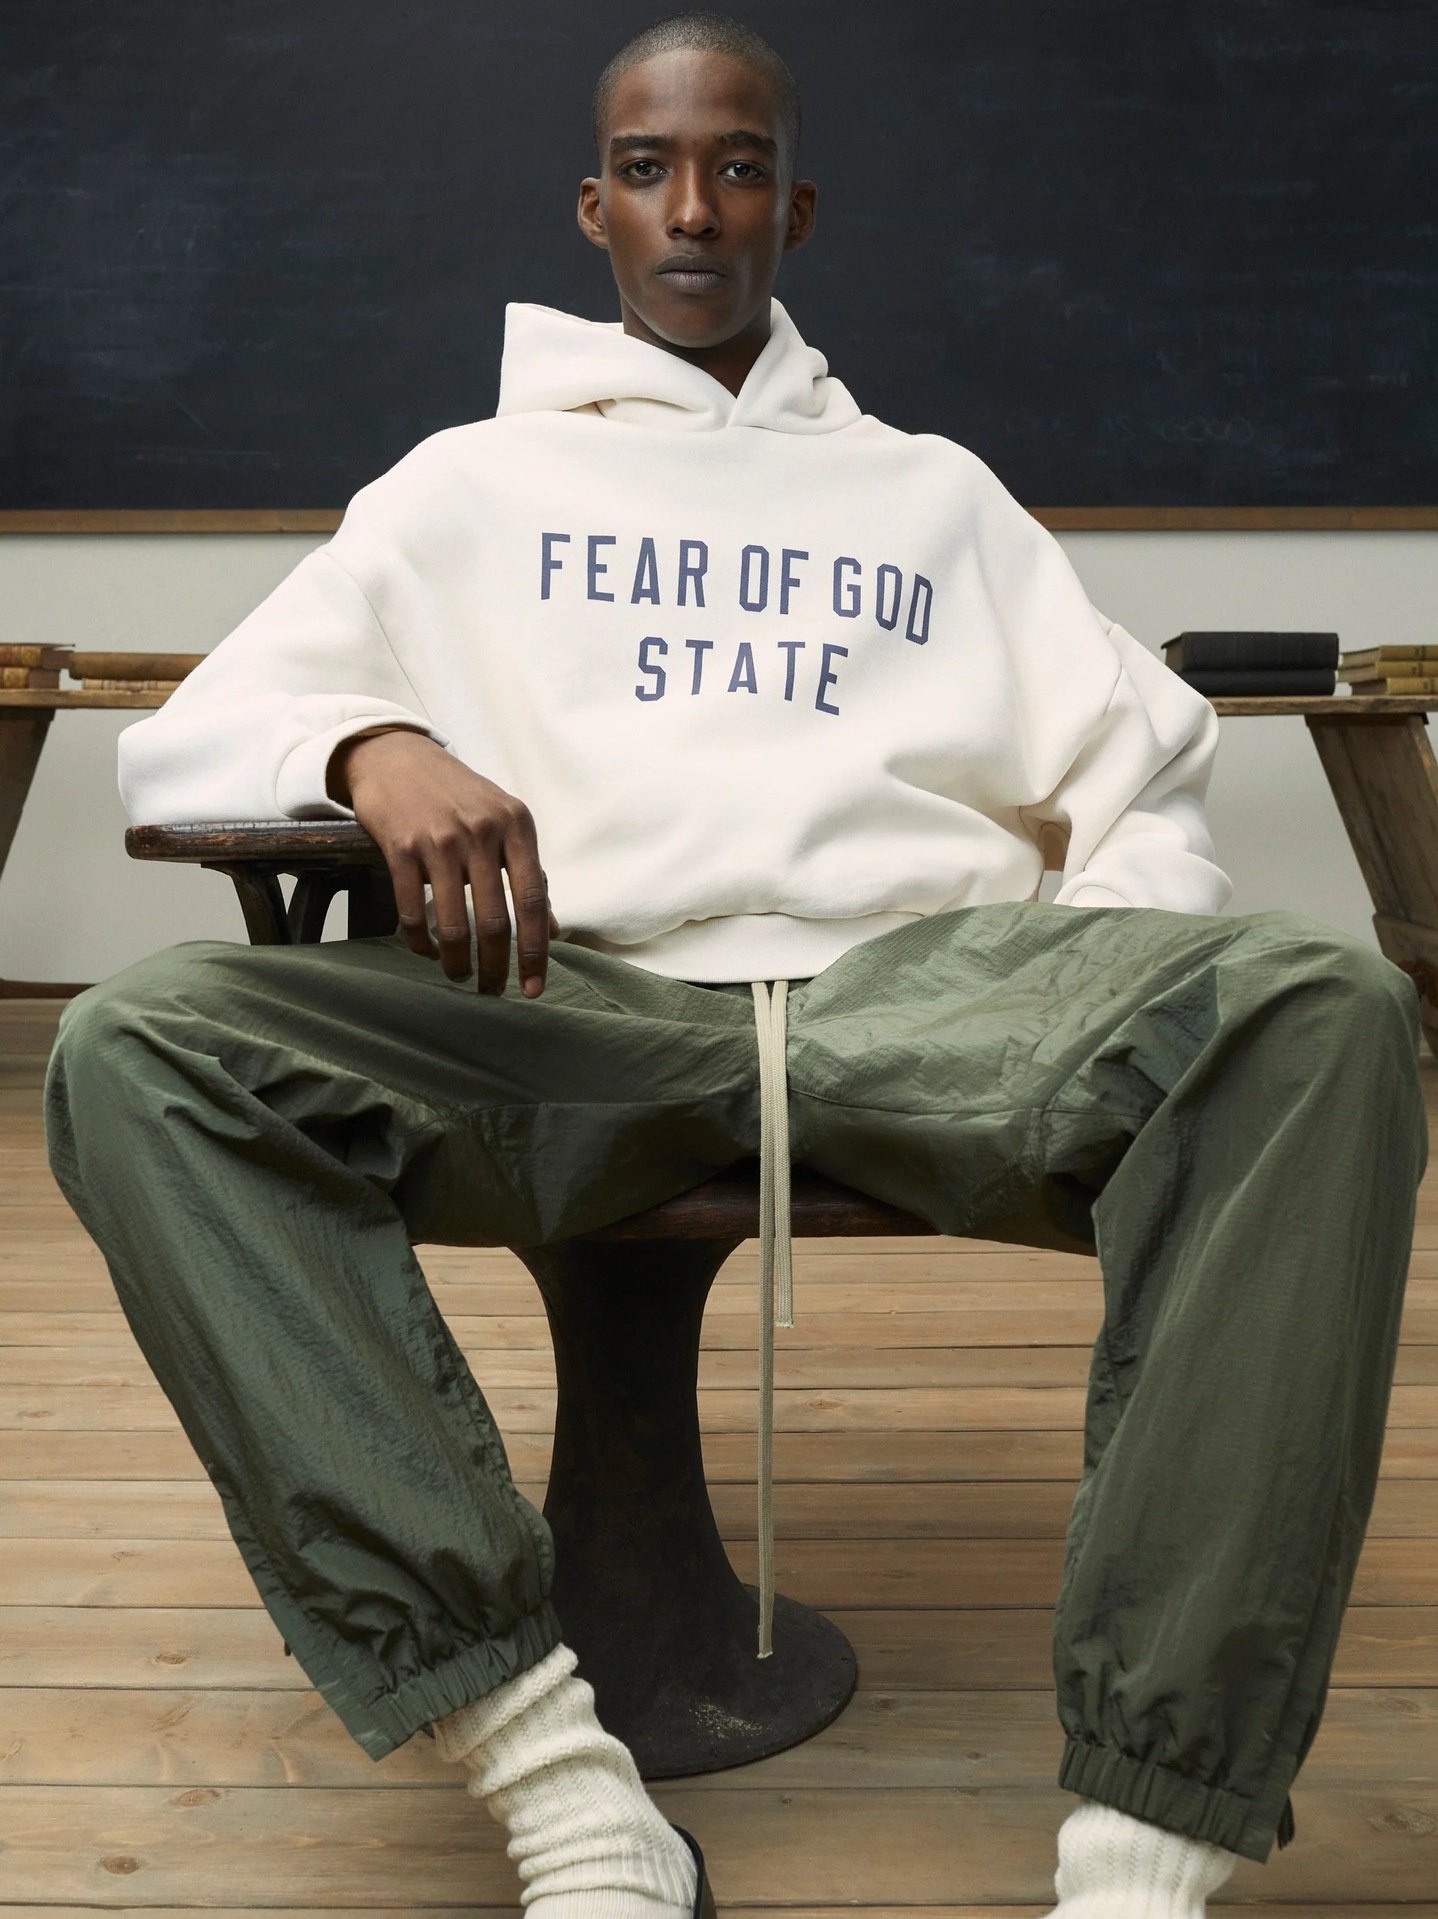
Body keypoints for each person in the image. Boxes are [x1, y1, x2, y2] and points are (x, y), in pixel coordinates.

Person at [42, 11, 1427, 1919]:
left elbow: (1139, 769)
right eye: (649, 169)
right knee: (136, 1047)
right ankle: (557, 1783)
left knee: (1325, 1006)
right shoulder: (463, 485)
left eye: (739, 167)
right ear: (592, 207)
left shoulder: (930, 494)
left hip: (920, 1001)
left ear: (796, 207)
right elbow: (196, 737)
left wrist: (1088, 979)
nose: (693, 209)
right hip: (572, 1009)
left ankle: (1145, 1854)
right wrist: (368, 744)